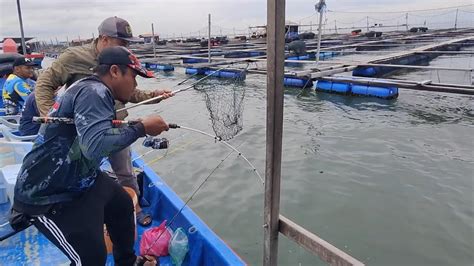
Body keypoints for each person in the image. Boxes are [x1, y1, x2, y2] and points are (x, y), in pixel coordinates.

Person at [12, 46, 167, 265]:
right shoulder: (95, 92)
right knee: (92, 257)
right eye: (133, 76)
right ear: (114, 71)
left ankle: (128, 262)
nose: (135, 84)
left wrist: (138, 124)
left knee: (122, 204)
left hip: (81, 177)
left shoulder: (92, 89)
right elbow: (95, 147)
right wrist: (142, 128)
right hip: (48, 193)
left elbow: (96, 134)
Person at [35, 16, 172, 226]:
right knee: (84, 171)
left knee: (125, 170)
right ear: (104, 39)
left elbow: (129, 91)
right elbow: (45, 82)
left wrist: (155, 95)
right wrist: (50, 118)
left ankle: (133, 207)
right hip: (83, 132)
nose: (127, 48)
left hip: (115, 127)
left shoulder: (122, 62)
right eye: (123, 43)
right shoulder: (74, 58)